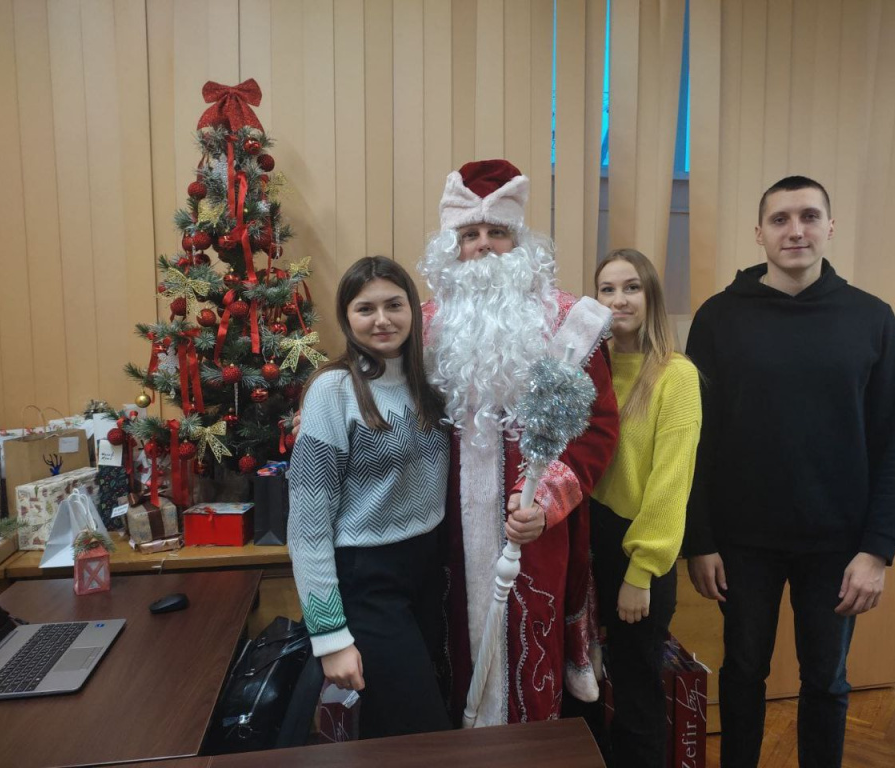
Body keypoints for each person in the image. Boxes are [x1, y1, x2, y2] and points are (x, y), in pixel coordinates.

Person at [683, 176, 895, 768]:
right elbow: (694, 439)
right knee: (742, 673)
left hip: (837, 544)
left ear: (830, 228)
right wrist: (699, 540)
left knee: (827, 681)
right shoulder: (718, 318)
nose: (795, 230)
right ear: (758, 233)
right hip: (741, 543)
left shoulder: (872, 319)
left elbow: (894, 443)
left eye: (809, 216)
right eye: (780, 219)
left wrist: (877, 550)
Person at [419, 159, 620, 726]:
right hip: (445, 531)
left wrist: (548, 500)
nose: (484, 245)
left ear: (520, 241)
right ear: (452, 247)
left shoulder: (571, 323)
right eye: (469, 234)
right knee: (452, 652)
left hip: (536, 530)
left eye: (497, 232)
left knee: (534, 655)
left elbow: (599, 427)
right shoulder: (424, 327)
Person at [287, 256, 452, 739]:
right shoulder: (332, 391)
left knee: (393, 729)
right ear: (347, 318)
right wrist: (329, 636)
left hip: (428, 570)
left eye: (394, 305)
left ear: (413, 310)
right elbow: (308, 526)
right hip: (368, 578)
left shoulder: (432, 381)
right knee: (424, 732)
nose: (382, 320)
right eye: (366, 309)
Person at [583, 248, 701, 768]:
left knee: (635, 688)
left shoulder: (676, 375)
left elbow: (671, 483)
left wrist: (642, 570)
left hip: (638, 547)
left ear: (651, 295)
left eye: (631, 287)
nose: (619, 300)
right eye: (607, 289)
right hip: (586, 541)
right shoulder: (590, 367)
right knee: (583, 681)